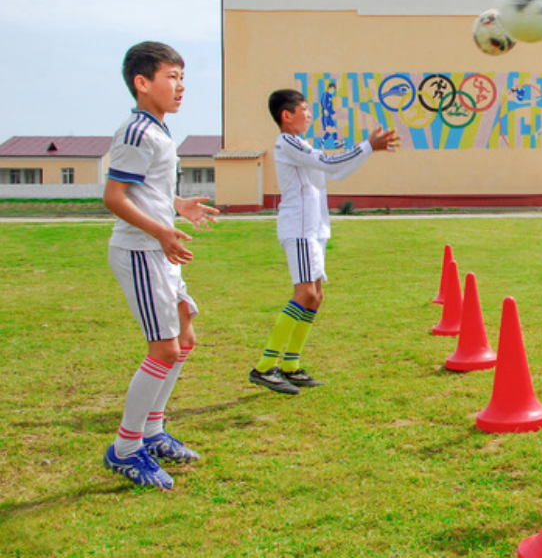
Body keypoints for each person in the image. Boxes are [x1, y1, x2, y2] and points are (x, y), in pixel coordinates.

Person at [102, 41, 219, 489]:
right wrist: (161, 231)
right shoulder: (135, 132)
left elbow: (142, 191)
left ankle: (152, 432)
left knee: (184, 338)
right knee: (164, 349)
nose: (181, 86)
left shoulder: (158, 132)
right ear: (142, 82)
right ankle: (126, 449)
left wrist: (177, 206)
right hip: (139, 252)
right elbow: (114, 198)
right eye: (172, 77)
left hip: (158, 249)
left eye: (182, 78)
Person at [248, 89, 398, 395]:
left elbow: (336, 171)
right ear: (286, 115)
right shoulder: (287, 141)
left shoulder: (300, 143)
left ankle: (291, 366)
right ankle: (264, 367)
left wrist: (369, 151)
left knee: (315, 296)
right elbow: (330, 164)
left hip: (313, 230)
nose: (309, 114)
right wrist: (368, 145)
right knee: (303, 293)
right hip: (299, 229)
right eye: (304, 109)